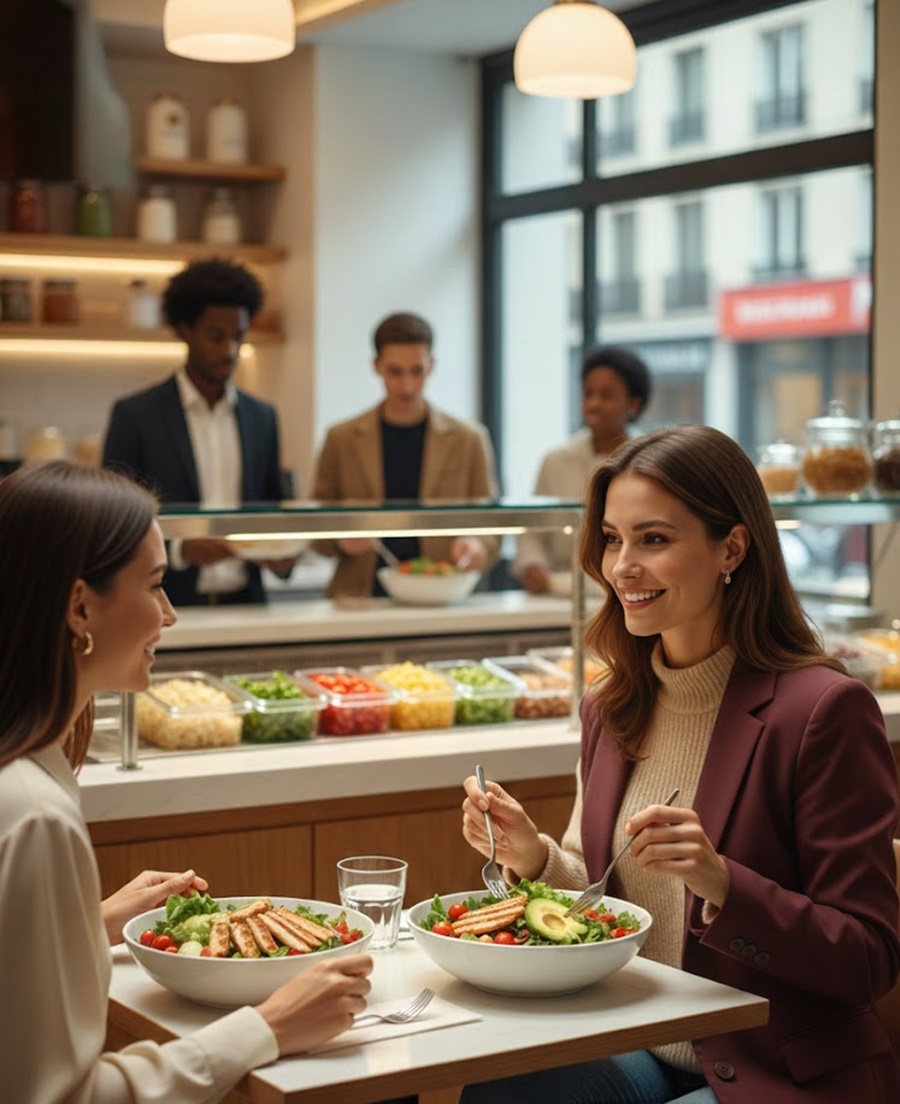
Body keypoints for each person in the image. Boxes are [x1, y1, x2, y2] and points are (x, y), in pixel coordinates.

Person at [460, 424, 900, 1104]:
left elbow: (869, 959)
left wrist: (722, 882)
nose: (621, 566)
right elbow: (604, 899)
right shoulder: (611, 706)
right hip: (639, 1036)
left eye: (654, 539)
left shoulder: (824, 711)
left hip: (777, 1069)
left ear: (732, 547)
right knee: (498, 1084)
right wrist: (537, 859)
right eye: (612, 538)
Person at [0, 461, 373, 1103]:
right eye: (154, 586)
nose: (169, 615)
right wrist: (265, 1027)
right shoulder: (34, 815)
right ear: (80, 606)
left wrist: (91, 923)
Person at [102, 257, 294, 607]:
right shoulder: (135, 416)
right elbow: (113, 526)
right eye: (216, 336)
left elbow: (272, 509)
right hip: (164, 608)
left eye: (238, 337)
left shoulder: (262, 417)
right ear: (184, 330)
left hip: (248, 605)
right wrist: (180, 550)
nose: (229, 351)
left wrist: (282, 555)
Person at [310, 311, 500, 598]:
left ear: (431, 366)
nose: (407, 385)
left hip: (442, 593)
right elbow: (315, 525)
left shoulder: (468, 440)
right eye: (395, 372)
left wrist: (477, 545)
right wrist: (340, 540)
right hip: (359, 596)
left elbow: (492, 525)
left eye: (417, 371)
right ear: (377, 367)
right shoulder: (341, 438)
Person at [514, 344, 652, 594]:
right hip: (556, 600)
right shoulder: (556, 461)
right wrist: (532, 564)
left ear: (633, 403)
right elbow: (532, 531)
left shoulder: (653, 464)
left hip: (632, 594)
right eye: (588, 393)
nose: (594, 404)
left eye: (607, 395)